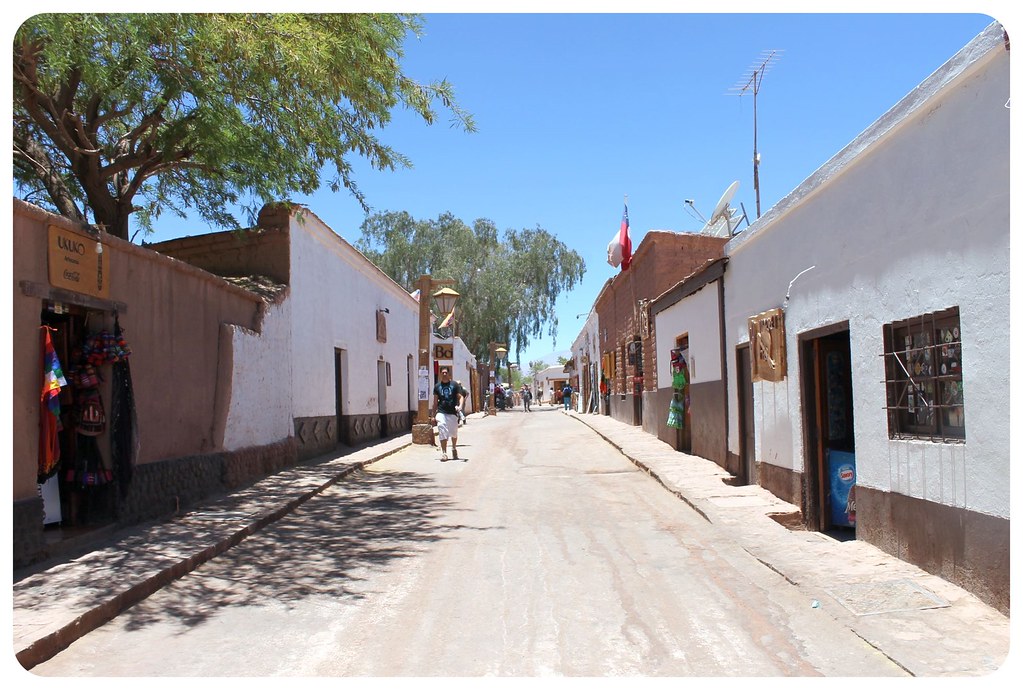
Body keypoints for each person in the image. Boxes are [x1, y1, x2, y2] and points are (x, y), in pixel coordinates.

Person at [433, 367, 463, 461]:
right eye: (443, 373)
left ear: (449, 374)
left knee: (453, 433)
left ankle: (454, 448)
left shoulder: (454, 385)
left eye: (446, 372)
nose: (444, 374)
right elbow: (435, 402)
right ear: (441, 374)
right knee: (442, 429)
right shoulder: (437, 386)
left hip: (452, 413)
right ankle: (444, 453)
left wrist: (461, 406)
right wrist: (433, 415)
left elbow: (460, 397)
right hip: (441, 411)